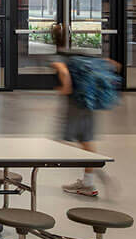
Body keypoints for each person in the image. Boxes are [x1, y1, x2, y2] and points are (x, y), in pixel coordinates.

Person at [50, 23, 117, 198]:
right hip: (88, 102)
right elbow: (113, 65)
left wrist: (65, 88)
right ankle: (89, 180)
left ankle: (94, 175)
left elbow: (63, 73)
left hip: (75, 104)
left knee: (65, 141)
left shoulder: (58, 56)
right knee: (85, 140)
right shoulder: (78, 53)